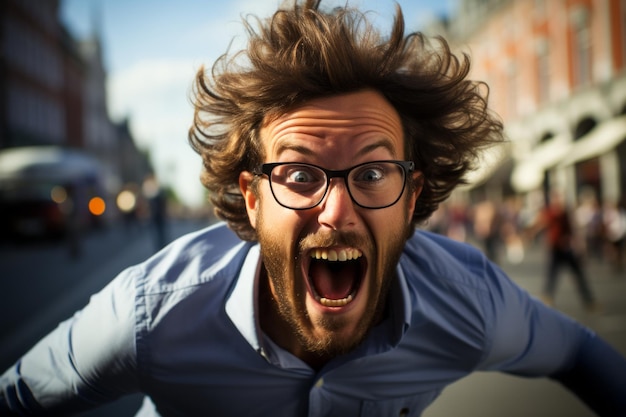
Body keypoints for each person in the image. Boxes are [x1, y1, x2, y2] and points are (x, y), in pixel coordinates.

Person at [2, 1, 625, 416]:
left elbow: (575, 352)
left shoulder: (469, 302)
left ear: (412, 198)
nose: (336, 212)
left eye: (375, 172)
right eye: (299, 174)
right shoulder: (149, 318)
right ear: (251, 199)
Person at [528, 191, 598, 311]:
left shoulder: (564, 213)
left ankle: (589, 301)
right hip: (555, 249)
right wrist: (531, 233)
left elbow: (571, 229)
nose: (558, 202)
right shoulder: (550, 213)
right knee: (552, 276)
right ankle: (547, 297)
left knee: (577, 275)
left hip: (565, 248)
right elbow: (541, 224)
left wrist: (578, 246)